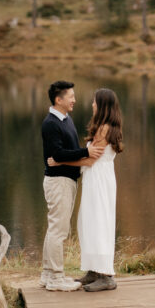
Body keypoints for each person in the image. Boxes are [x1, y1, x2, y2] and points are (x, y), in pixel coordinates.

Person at [48, 87, 123, 293]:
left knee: (98, 223)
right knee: (88, 222)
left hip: (99, 180)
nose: (92, 105)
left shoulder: (104, 129)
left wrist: (59, 162)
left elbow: (89, 160)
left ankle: (107, 276)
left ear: (103, 106)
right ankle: (93, 271)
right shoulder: (105, 127)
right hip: (97, 179)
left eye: (95, 102)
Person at [41, 80, 105, 291]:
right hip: (57, 181)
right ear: (58, 100)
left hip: (66, 180)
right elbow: (57, 154)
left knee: (57, 228)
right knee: (58, 230)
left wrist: (80, 158)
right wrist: (86, 153)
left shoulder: (66, 119)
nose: (75, 100)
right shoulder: (51, 123)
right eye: (71, 97)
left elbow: (63, 153)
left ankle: (47, 274)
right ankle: (56, 278)